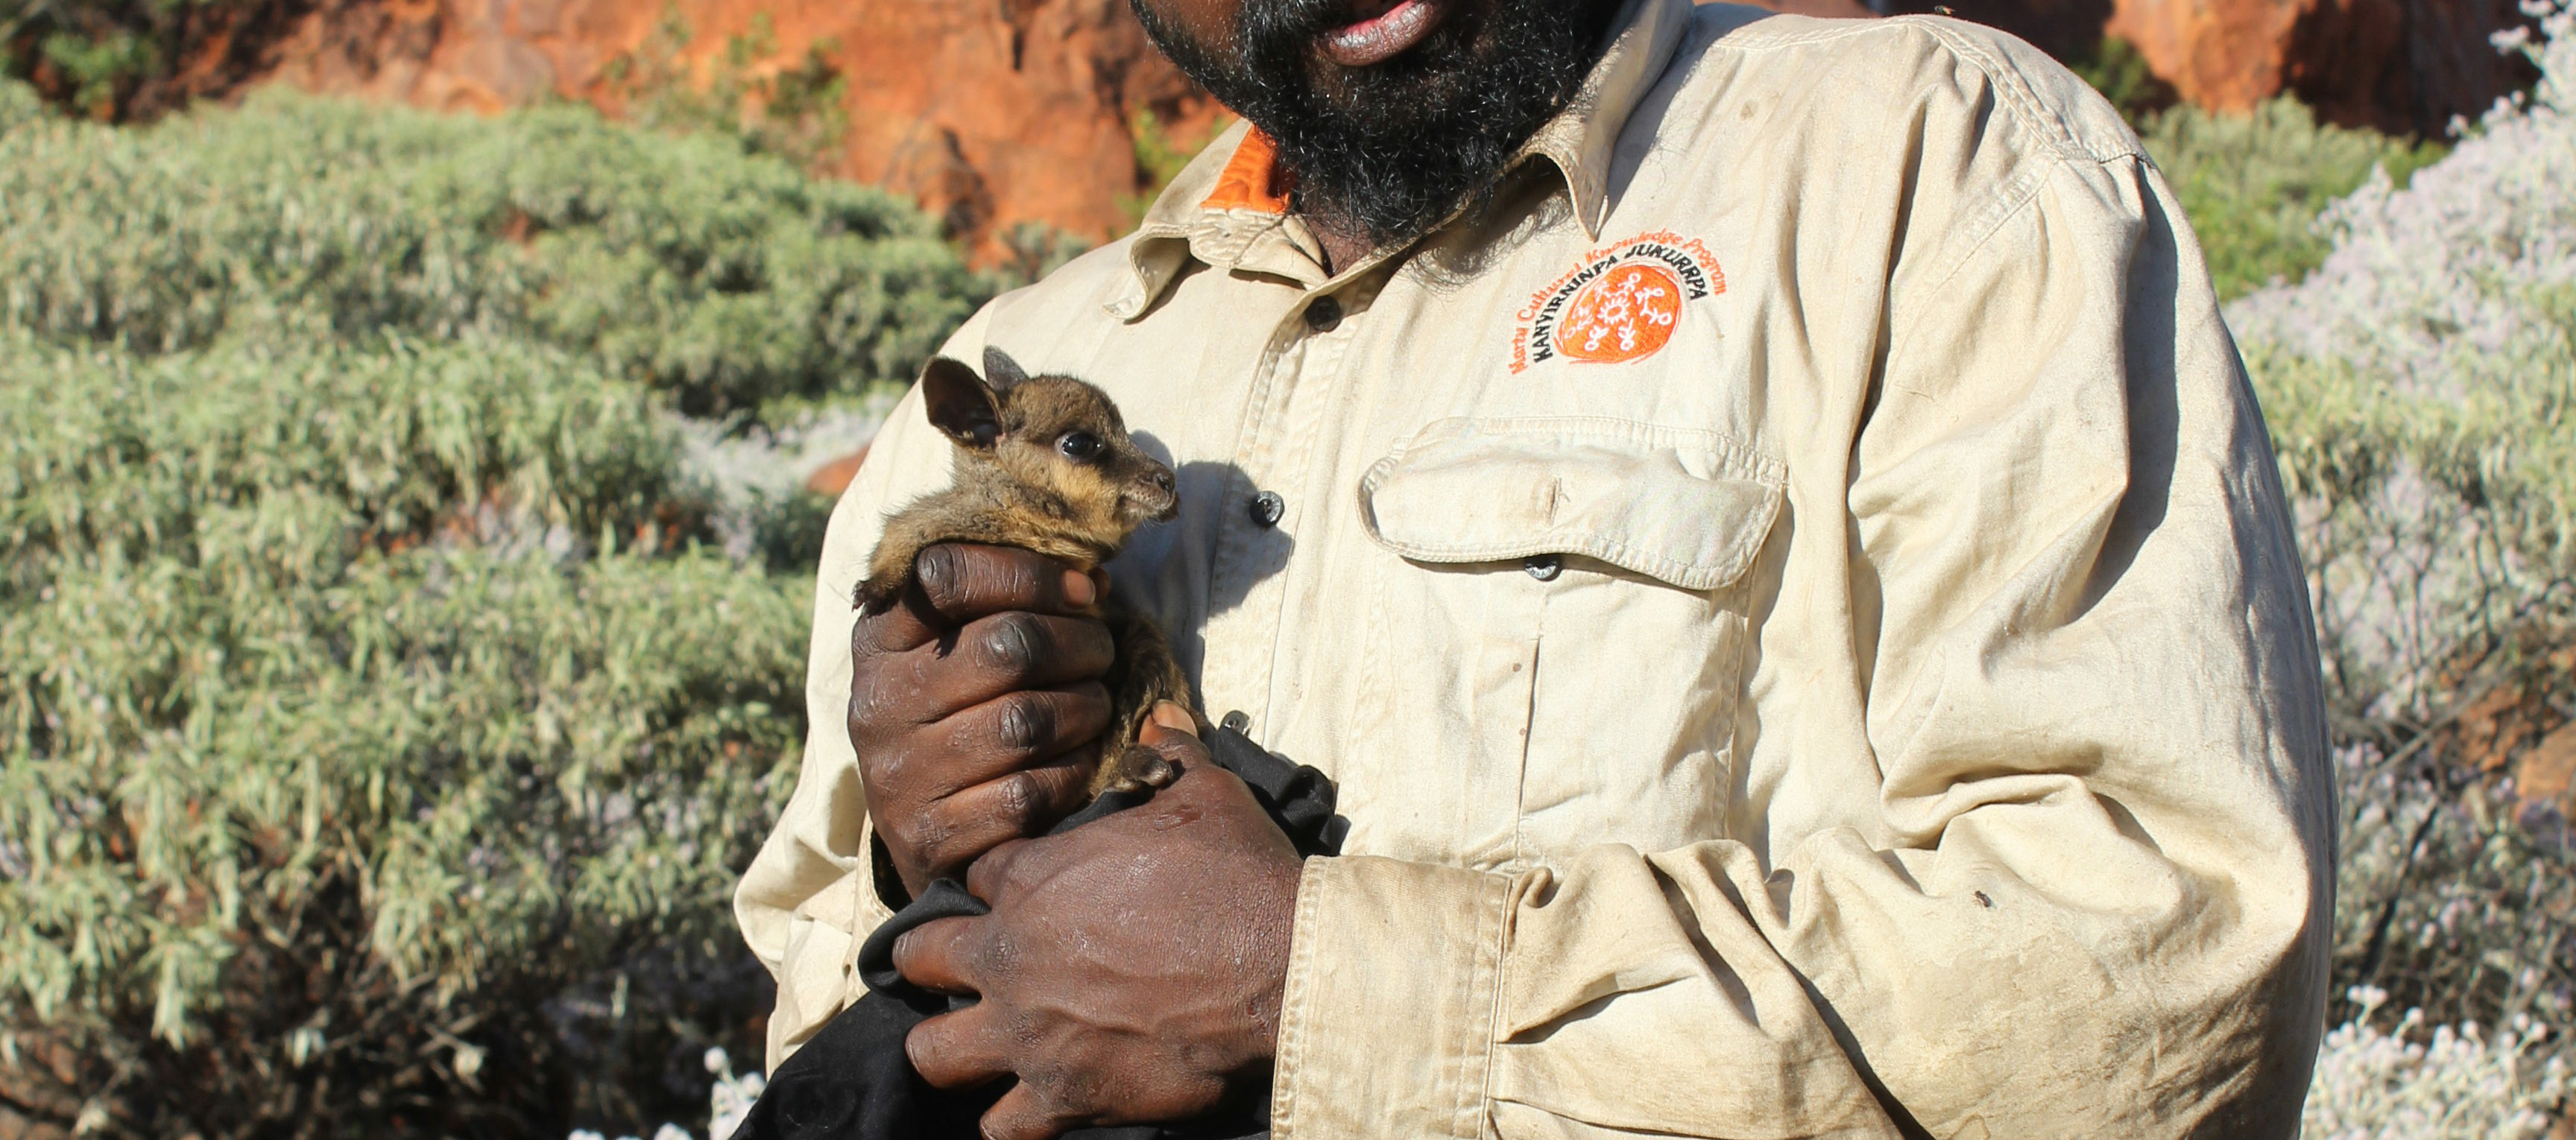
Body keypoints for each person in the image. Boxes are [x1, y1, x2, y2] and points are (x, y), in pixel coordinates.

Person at [735, 0, 2336, 1133]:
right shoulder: (1026, 362)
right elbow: (816, 996)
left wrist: (1320, 988)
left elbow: (2162, 965)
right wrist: (941, 866)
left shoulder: (1925, 167)